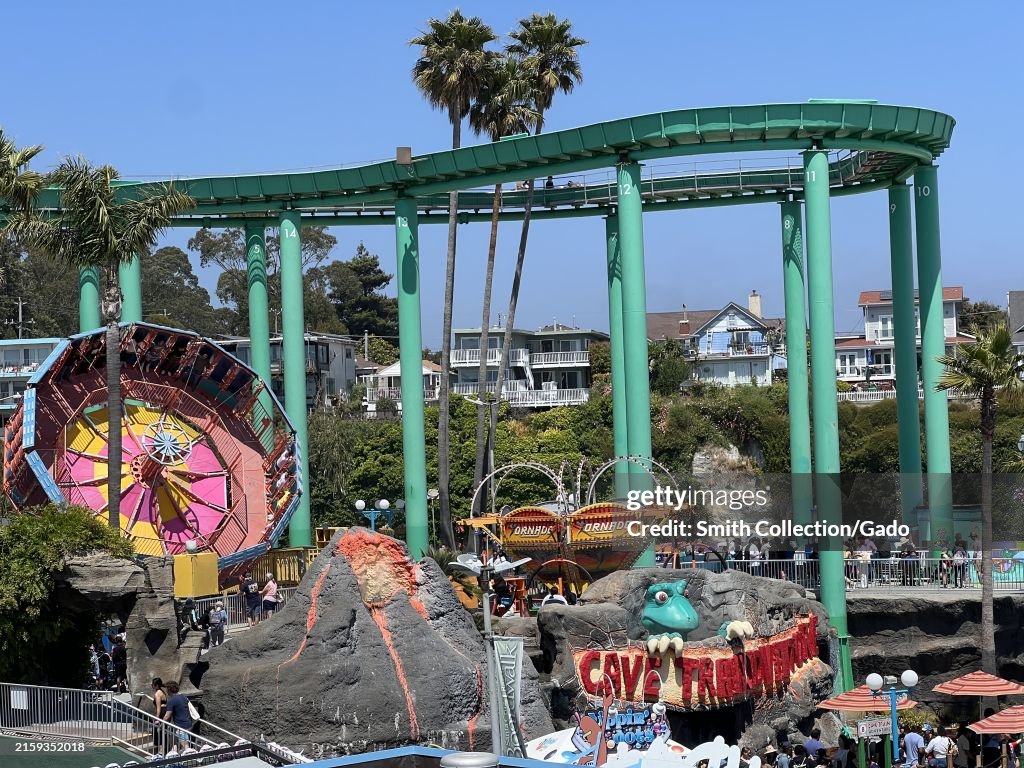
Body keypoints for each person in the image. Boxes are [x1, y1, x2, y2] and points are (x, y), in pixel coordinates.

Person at [162, 680, 193, 749]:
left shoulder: (172, 700)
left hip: (181, 727)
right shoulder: (183, 697)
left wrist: (161, 724)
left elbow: (167, 715)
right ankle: (174, 754)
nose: (166, 691)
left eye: (166, 688)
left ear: (169, 689)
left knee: (185, 745)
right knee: (172, 740)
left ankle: (189, 757)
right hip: (188, 724)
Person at [151, 678, 168, 753]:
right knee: (163, 731)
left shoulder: (157, 693)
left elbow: (158, 707)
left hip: (161, 713)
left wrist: (157, 719)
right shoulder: (162, 691)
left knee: (157, 731)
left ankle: (160, 750)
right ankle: (163, 749)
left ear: (156, 685)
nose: (151, 686)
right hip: (165, 711)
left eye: (153, 684)